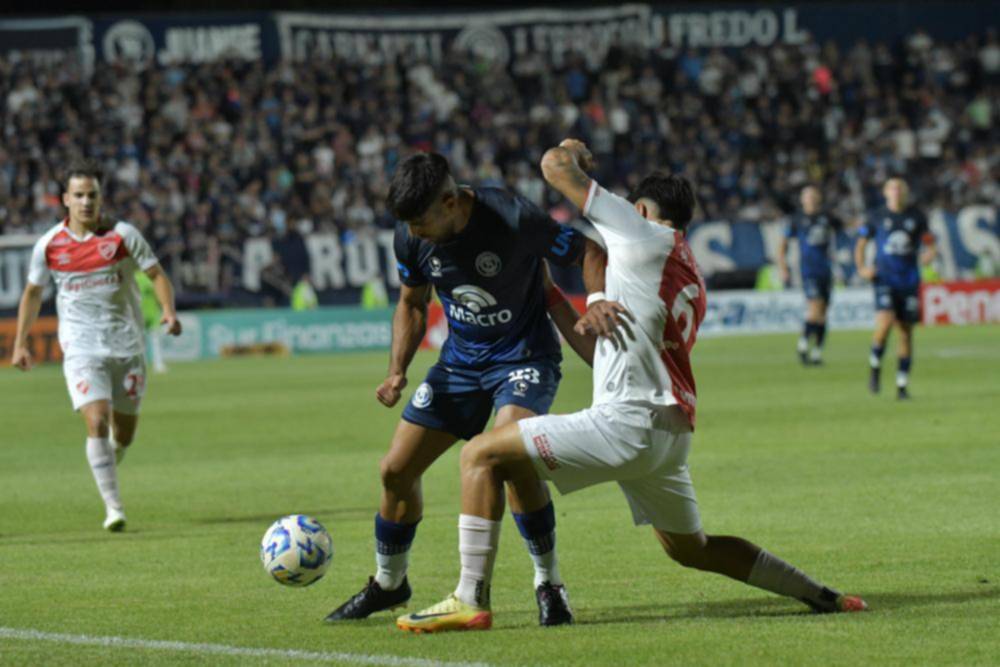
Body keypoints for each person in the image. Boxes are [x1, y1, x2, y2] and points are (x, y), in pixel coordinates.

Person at [396, 140, 867, 633]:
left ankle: (469, 598)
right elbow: (621, 339)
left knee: (479, 456)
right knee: (693, 548)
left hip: (626, 422)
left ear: (641, 210)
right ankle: (822, 595)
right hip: (670, 436)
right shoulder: (688, 272)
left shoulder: (640, 234)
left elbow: (554, 167)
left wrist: (570, 151)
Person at [324, 152, 610, 626]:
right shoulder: (410, 234)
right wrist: (397, 369)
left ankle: (548, 583)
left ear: (452, 201)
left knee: (508, 458)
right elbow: (413, 304)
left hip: (523, 359)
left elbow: (588, 252)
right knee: (395, 470)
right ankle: (389, 583)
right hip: (459, 365)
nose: (413, 233)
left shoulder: (514, 218)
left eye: (421, 221)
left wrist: (597, 303)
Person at [11, 159, 182, 531]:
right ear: (65, 200)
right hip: (81, 345)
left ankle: (108, 456)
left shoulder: (122, 235)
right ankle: (114, 508)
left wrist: (168, 310)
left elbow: (156, 274)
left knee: (123, 435)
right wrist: (20, 343)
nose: (86, 202)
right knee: (96, 419)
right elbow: (32, 292)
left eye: (92, 195)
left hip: (126, 344)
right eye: (79, 195)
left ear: (101, 197)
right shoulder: (50, 245)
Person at [855, 178, 937, 399]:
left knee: (905, 333)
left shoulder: (917, 216)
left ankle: (902, 385)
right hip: (884, 278)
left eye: (900, 188)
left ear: (906, 192)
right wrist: (862, 268)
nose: (897, 191)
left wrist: (930, 254)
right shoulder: (877, 216)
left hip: (909, 280)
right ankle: (875, 366)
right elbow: (861, 243)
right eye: (892, 188)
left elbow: (930, 242)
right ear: (885, 192)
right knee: (884, 324)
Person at [776, 185, 844, 365]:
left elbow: (845, 227)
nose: (811, 199)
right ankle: (803, 344)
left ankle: (816, 352)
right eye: (807, 196)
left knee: (823, 313)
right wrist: (783, 267)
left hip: (826, 270)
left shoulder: (827, 217)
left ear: (819, 198)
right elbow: (783, 246)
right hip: (808, 270)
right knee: (815, 307)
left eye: (814, 195)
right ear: (802, 199)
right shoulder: (796, 219)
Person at [135, 270, 168, 373]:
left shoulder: (147, 277)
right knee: (144, 342)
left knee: (152, 341)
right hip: (142, 314)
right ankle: (150, 365)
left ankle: (157, 364)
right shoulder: (137, 277)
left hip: (150, 314)